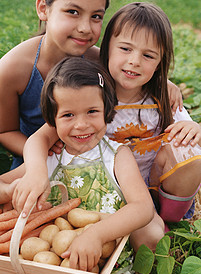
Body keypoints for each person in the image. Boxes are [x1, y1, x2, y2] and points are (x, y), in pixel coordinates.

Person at [11, 2, 201, 248]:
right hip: (100, 185)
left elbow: (187, 131)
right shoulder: (93, 93)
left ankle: (171, 220)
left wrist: (195, 128)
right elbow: (41, 137)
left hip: (145, 190)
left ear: (160, 61)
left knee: (191, 151)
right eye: (125, 49)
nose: (134, 61)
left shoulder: (163, 97)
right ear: (106, 49)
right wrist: (36, 173)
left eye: (148, 55)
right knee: (14, 182)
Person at [0, 57, 155, 274]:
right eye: (68, 115)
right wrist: (13, 189)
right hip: (39, 272)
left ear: (107, 110)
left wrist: (97, 234)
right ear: (52, 119)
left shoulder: (117, 156)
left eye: (92, 112)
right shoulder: (50, 159)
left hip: (104, 272)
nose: (81, 125)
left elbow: (143, 208)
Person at [0, 0, 183, 170]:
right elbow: (5, 131)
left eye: (96, 16)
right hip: (35, 164)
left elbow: (131, 69)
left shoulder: (98, 60)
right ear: (42, 8)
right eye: (73, 12)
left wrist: (162, 82)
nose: (85, 28)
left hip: (94, 162)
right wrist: (45, 154)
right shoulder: (13, 69)